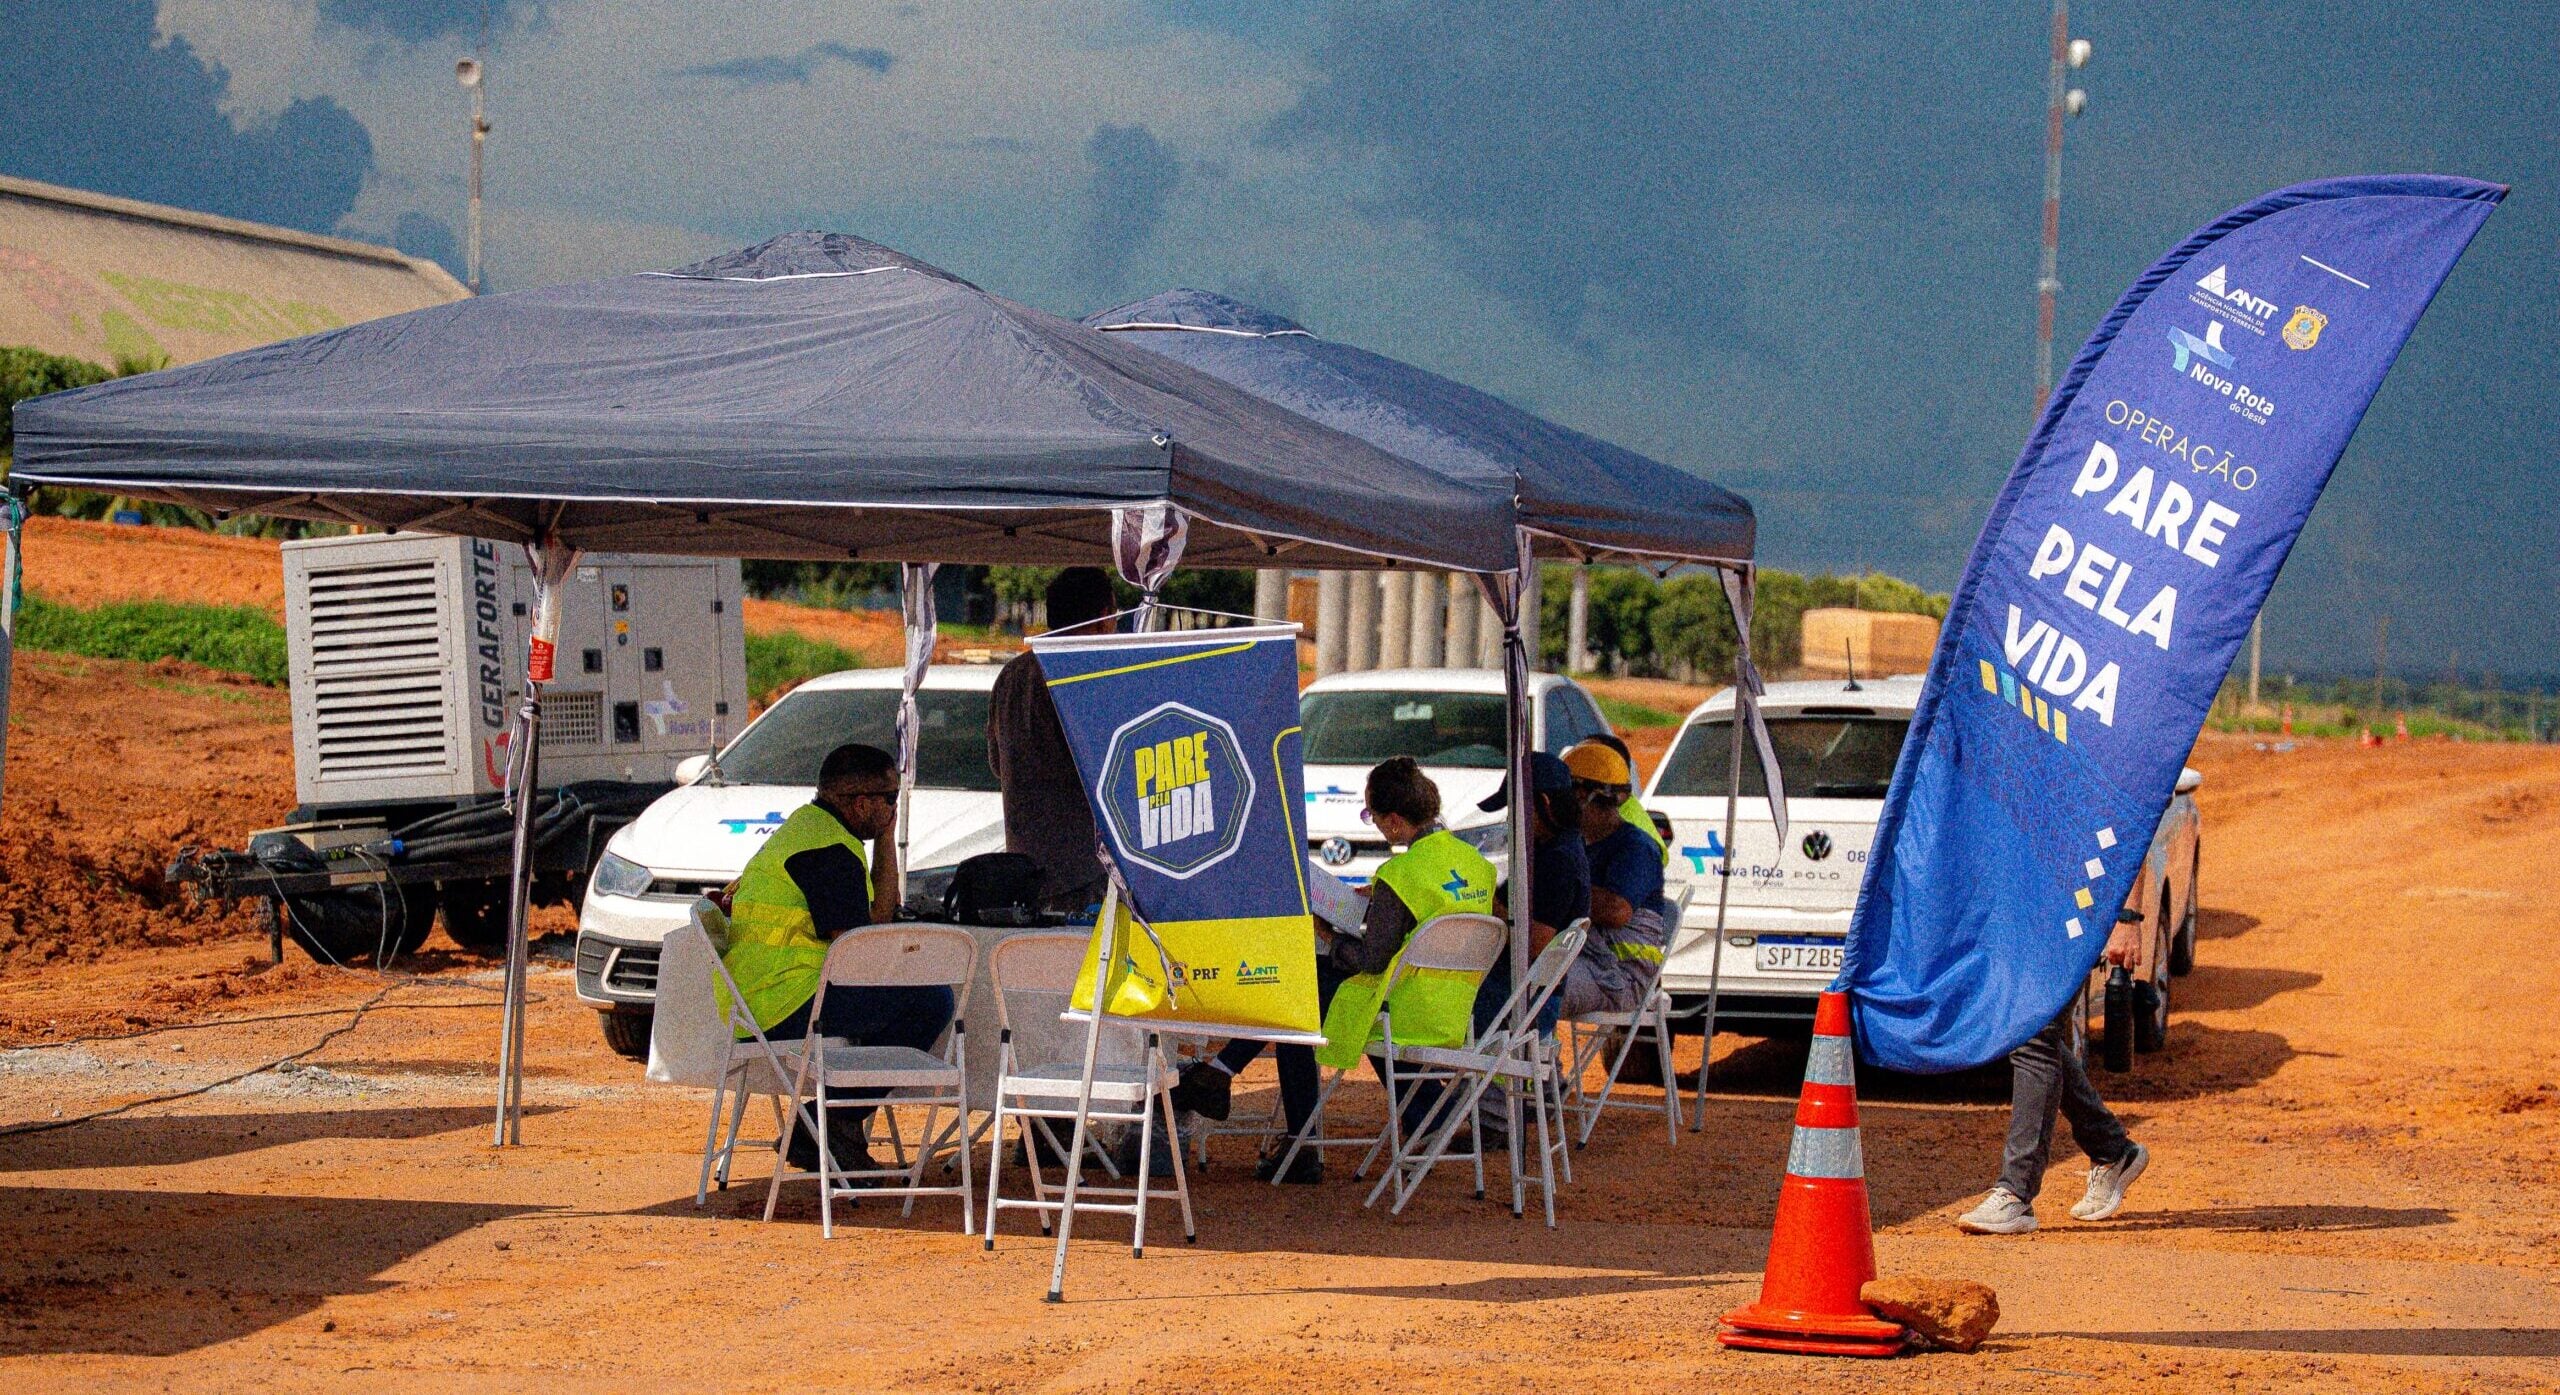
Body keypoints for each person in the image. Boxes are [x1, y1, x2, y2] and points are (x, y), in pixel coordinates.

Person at [1170, 756, 1497, 1183]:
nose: (1376, 825)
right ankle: (1226, 1078)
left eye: (1373, 817)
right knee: (1305, 996)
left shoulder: (1401, 873)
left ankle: (1282, 1128)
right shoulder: (1477, 865)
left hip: (1399, 1008)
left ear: (1396, 822)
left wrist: (1326, 935)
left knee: (1297, 1000)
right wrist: (1378, 907)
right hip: (1455, 1009)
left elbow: (1371, 961)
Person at [722, 742, 955, 1174]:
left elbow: (878, 916)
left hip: (760, 998)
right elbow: (859, 949)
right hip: (782, 1004)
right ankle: (822, 1122)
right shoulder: (828, 850)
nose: (894, 807)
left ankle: (833, 1126)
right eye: (890, 799)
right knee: (931, 1002)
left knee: (902, 1001)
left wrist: (885, 836)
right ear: (861, 802)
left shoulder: (815, 830)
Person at [1957, 908, 2153, 1233]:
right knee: (2026, 1030)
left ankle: (2016, 1192)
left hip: (2081, 907)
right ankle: (2111, 1149)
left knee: (2035, 1030)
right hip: (2032, 908)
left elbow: (2127, 854)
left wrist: (2126, 918)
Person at [988, 567, 1119, 912]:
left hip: (1024, 867)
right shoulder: (1095, 677)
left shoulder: (1011, 677)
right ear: (1106, 616)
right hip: (1086, 871)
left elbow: (997, 765)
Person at [1556, 740, 1671, 1017]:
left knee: (1535, 991)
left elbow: (1616, 910)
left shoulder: (1636, 848)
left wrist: (1557, 887)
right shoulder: (1578, 843)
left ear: (1586, 796)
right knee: (1510, 979)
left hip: (1620, 976)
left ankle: (1541, 1061)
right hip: (1586, 962)